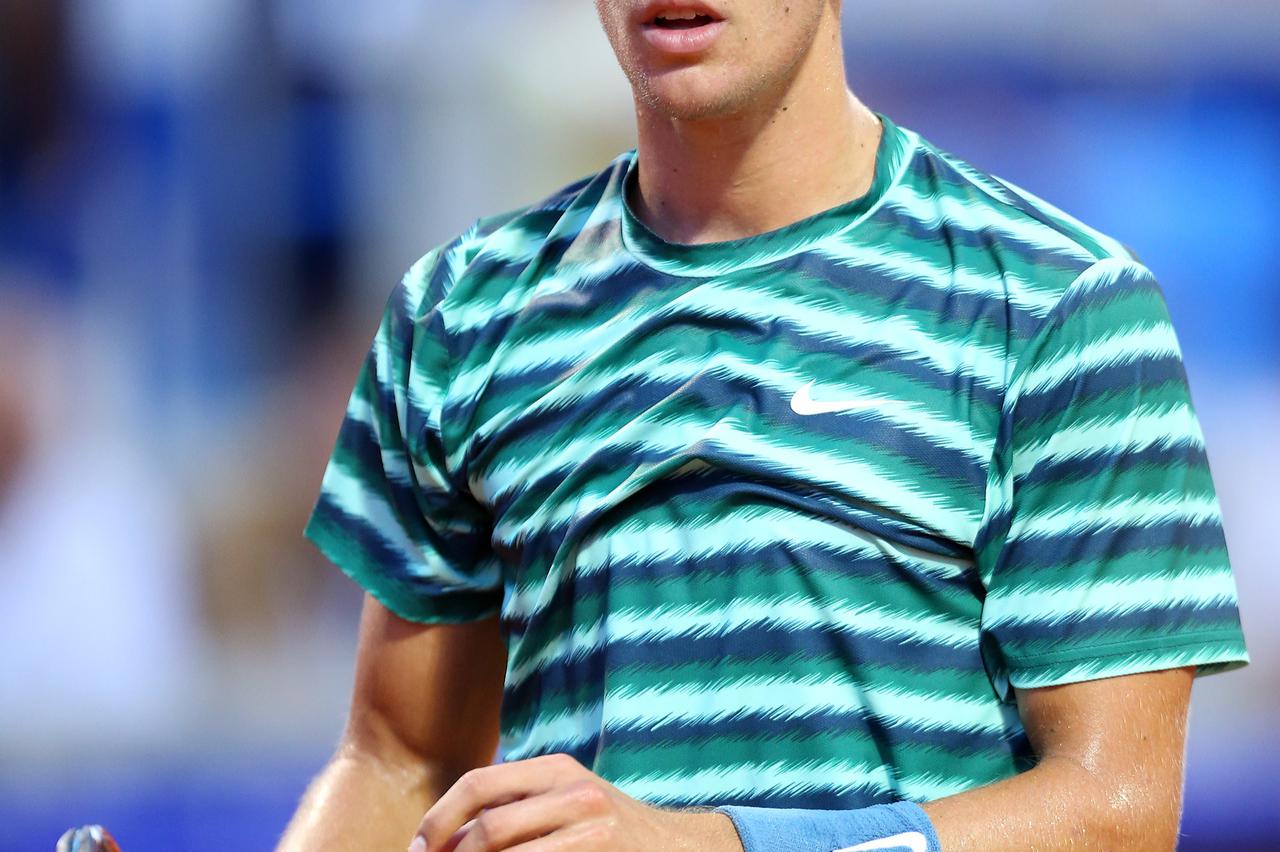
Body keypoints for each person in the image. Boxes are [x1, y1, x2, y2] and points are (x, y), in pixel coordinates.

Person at [277, 2, 1249, 850]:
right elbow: (400, 760)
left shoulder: (1059, 307)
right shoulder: (460, 313)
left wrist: (707, 846)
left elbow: (1112, 815)